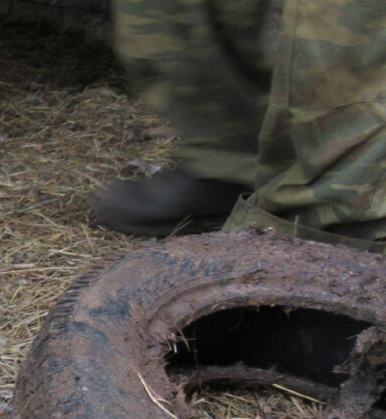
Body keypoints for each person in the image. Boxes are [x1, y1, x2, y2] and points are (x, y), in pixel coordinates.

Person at [97, 0, 386, 253]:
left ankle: (342, 234)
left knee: (342, 23)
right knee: (164, 13)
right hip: (229, 142)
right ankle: (229, 163)